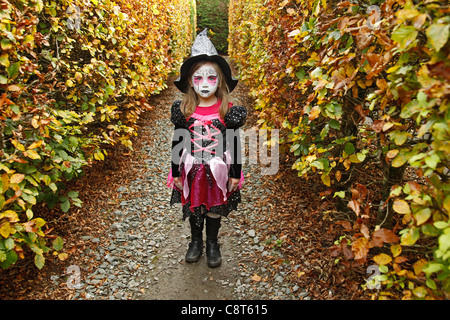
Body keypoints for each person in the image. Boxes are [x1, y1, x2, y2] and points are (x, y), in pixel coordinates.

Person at [167, 29, 247, 268]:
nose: (204, 84)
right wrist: (175, 173)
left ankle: (212, 242)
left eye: (211, 78)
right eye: (198, 78)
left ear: (220, 80)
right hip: (191, 168)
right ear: (190, 81)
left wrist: (235, 173)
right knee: (194, 206)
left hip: (217, 170)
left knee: (214, 206)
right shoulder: (184, 109)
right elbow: (177, 142)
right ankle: (195, 242)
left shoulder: (228, 110)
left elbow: (234, 142)